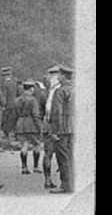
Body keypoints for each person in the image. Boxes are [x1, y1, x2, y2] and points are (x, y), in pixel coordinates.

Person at [49, 65, 74, 193]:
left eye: (59, 74)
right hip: (73, 127)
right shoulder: (75, 90)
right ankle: (72, 184)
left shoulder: (60, 91)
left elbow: (56, 112)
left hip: (62, 129)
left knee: (62, 158)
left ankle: (66, 185)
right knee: (70, 157)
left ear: (64, 76)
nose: (58, 77)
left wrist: (55, 131)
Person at [13, 80, 43, 175]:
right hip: (31, 125)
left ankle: (24, 167)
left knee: (24, 145)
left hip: (20, 124)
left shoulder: (17, 100)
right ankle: (35, 166)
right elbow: (35, 115)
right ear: (31, 89)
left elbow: (15, 114)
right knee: (37, 145)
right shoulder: (33, 100)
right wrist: (40, 127)